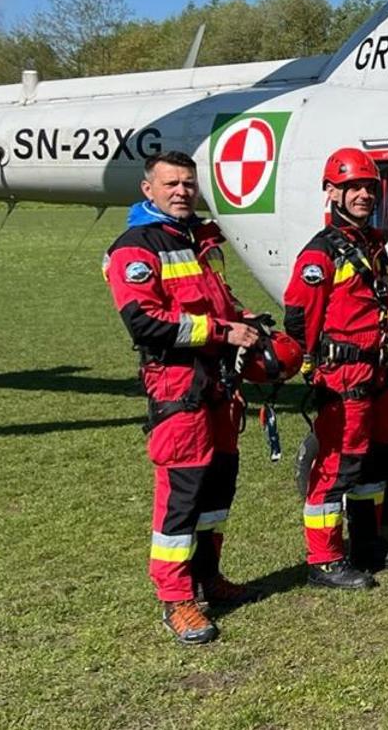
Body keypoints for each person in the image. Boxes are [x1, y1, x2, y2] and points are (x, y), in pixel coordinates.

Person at [103, 150, 270, 644]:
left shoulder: (196, 237)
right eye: (171, 183)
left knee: (219, 486)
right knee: (182, 496)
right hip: (178, 387)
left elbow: (215, 297)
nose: (181, 191)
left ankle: (207, 577)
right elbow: (144, 322)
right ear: (147, 189)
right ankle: (176, 599)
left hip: (218, 383)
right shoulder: (136, 248)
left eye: (188, 184)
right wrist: (222, 330)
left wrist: (245, 319)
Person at [282, 147, 388, 591]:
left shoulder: (371, 243)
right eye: (352, 188)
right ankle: (324, 559)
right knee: (337, 464)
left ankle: (367, 543)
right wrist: (312, 365)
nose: (362, 195)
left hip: (377, 370)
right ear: (332, 192)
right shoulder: (321, 254)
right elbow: (299, 316)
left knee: (374, 461)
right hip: (344, 376)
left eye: (368, 187)